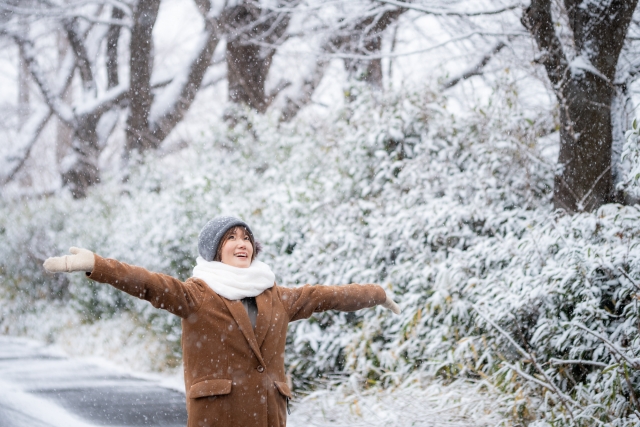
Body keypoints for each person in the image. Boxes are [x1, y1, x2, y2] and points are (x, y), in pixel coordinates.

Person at [44, 216, 400, 427]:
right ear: (216, 249)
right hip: (219, 418)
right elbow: (148, 283)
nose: (241, 243)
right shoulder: (197, 294)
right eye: (231, 238)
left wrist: (377, 294)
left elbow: (330, 296)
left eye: (246, 238)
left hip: (268, 417)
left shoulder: (276, 296)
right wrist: (96, 264)